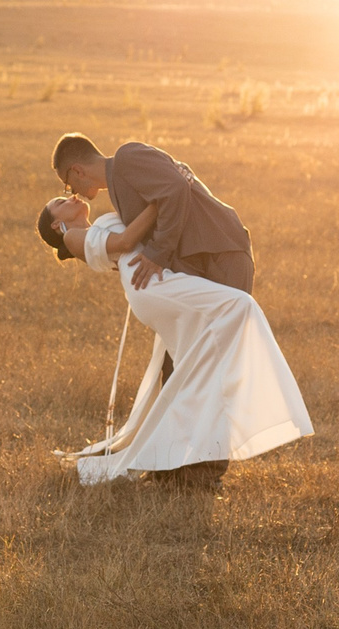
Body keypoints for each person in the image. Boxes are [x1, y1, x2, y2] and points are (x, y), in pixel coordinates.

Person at [37, 193, 311, 489]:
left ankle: (176, 458)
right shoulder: (73, 238)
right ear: (56, 225)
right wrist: (163, 200)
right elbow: (127, 242)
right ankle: (233, 434)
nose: (71, 196)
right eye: (61, 201)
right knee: (239, 306)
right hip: (150, 283)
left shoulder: (90, 231)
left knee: (190, 361)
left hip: (153, 278)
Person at [52, 134, 251, 294]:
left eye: (68, 184)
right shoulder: (118, 188)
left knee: (227, 340)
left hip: (220, 251)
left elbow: (176, 188)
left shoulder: (127, 157)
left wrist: (157, 253)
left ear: (78, 171)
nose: (73, 192)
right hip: (201, 264)